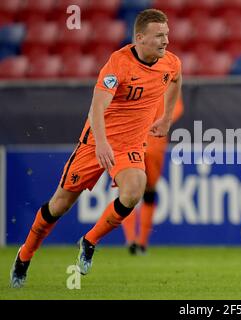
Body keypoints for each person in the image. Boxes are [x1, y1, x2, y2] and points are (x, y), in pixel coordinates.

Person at [10, 8, 182, 288]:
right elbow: (96, 109)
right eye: (159, 36)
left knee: (134, 190)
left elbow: (176, 80)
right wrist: (101, 143)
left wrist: (165, 117)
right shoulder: (118, 64)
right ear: (139, 38)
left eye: (167, 35)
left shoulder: (171, 63)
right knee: (59, 205)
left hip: (129, 145)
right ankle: (25, 255)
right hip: (95, 143)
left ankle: (89, 241)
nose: (166, 41)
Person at [121, 96, 184, 255]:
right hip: (154, 141)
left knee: (127, 189)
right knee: (149, 191)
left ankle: (131, 240)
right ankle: (141, 243)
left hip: (132, 138)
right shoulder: (169, 76)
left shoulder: (135, 76)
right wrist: (162, 120)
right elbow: (177, 108)